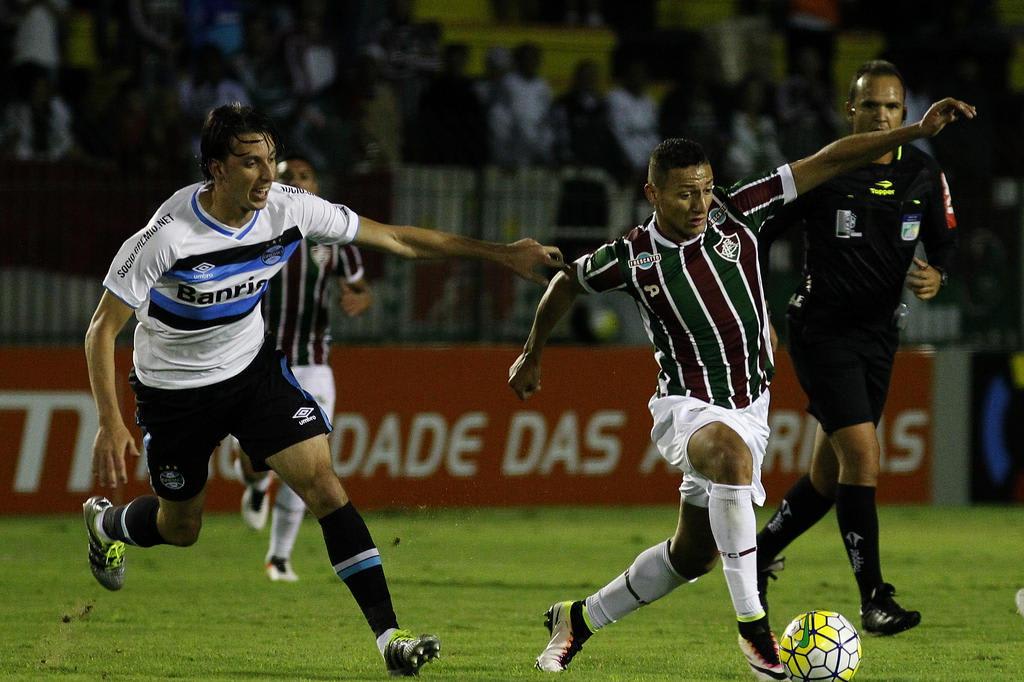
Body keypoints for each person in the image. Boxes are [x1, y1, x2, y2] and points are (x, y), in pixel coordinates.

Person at [82, 103, 563, 677]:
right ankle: (107, 525)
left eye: (268, 161)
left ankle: (390, 636)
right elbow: (102, 329)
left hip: (251, 372)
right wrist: (111, 421)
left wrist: (502, 255)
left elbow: (399, 240)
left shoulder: (289, 208)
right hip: (175, 393)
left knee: (325, 486)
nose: (265, 176)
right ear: (214, 169)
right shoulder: (167, 236)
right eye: (248, 163)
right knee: (180, 528)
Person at [508, 94, 974, 679]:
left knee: (691, 557)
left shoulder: (739, 210)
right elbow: (566, 283)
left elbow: (829, 159)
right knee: (727, 457)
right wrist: (531, 354)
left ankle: (577, 620)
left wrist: (915, 131)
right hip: (686, 405)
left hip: (749, 404)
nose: (701, 203)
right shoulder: (631, 257)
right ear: (653, 194)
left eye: (705, 188)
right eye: (685, 193)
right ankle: (757, 635)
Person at [754, 60, 960, 636]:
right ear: (852, 111)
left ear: (903, 112)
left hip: (878, 336)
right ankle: (873, 599)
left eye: (892, 107)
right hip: (820, 331)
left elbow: (945, 241)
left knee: (827, 477)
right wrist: (763, 310)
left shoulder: (924, 173)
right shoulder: (825, 170)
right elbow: (759, 234)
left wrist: (937, 274)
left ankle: (756, 551)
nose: (881, 115)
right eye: (870, 106)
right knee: (865, 458)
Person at [236, 154, 372, 583]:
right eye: (287, 176)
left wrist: (359, 299)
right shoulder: (253, 227)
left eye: (304, 176)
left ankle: (278, 558)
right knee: (255, 462)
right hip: (259, 360)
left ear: (314, 185)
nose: (295, 181)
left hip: (313, 362)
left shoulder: (333, 238)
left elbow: (360, 286)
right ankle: (257, 486)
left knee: (313, 464)